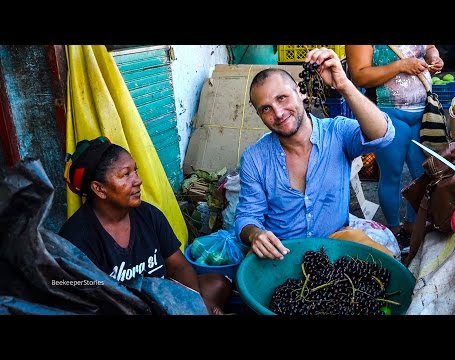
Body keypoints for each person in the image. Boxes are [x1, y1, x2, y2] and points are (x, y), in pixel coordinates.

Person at [234, 47, 395, 260]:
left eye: (282, 98)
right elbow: (247, 215)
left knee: (386, 274)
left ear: (300, 92)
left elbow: (383, 135)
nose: (278, 113)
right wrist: (255, 234)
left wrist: (344, 85)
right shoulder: (255, 159)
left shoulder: (337, 132)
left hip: (336, 244)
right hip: (282, 254)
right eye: (266, 109)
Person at [59, 136, 232, 314]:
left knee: (218, 284)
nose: (138, 180)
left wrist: (192, 304)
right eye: (126, 174)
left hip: (163, 300)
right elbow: (84, 303)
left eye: (135, 171)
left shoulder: (148, 214)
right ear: (99, 189)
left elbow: (177, 265)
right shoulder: (76, 239)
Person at [345, 45, 444, 247]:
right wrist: (400, 66)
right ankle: (394, 230)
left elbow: (430, 47)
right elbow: (359, 76)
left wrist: (434, 58)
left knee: (423, 174)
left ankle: (412, 225)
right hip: (388, 115)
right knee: (391, 175)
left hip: (423, 113)